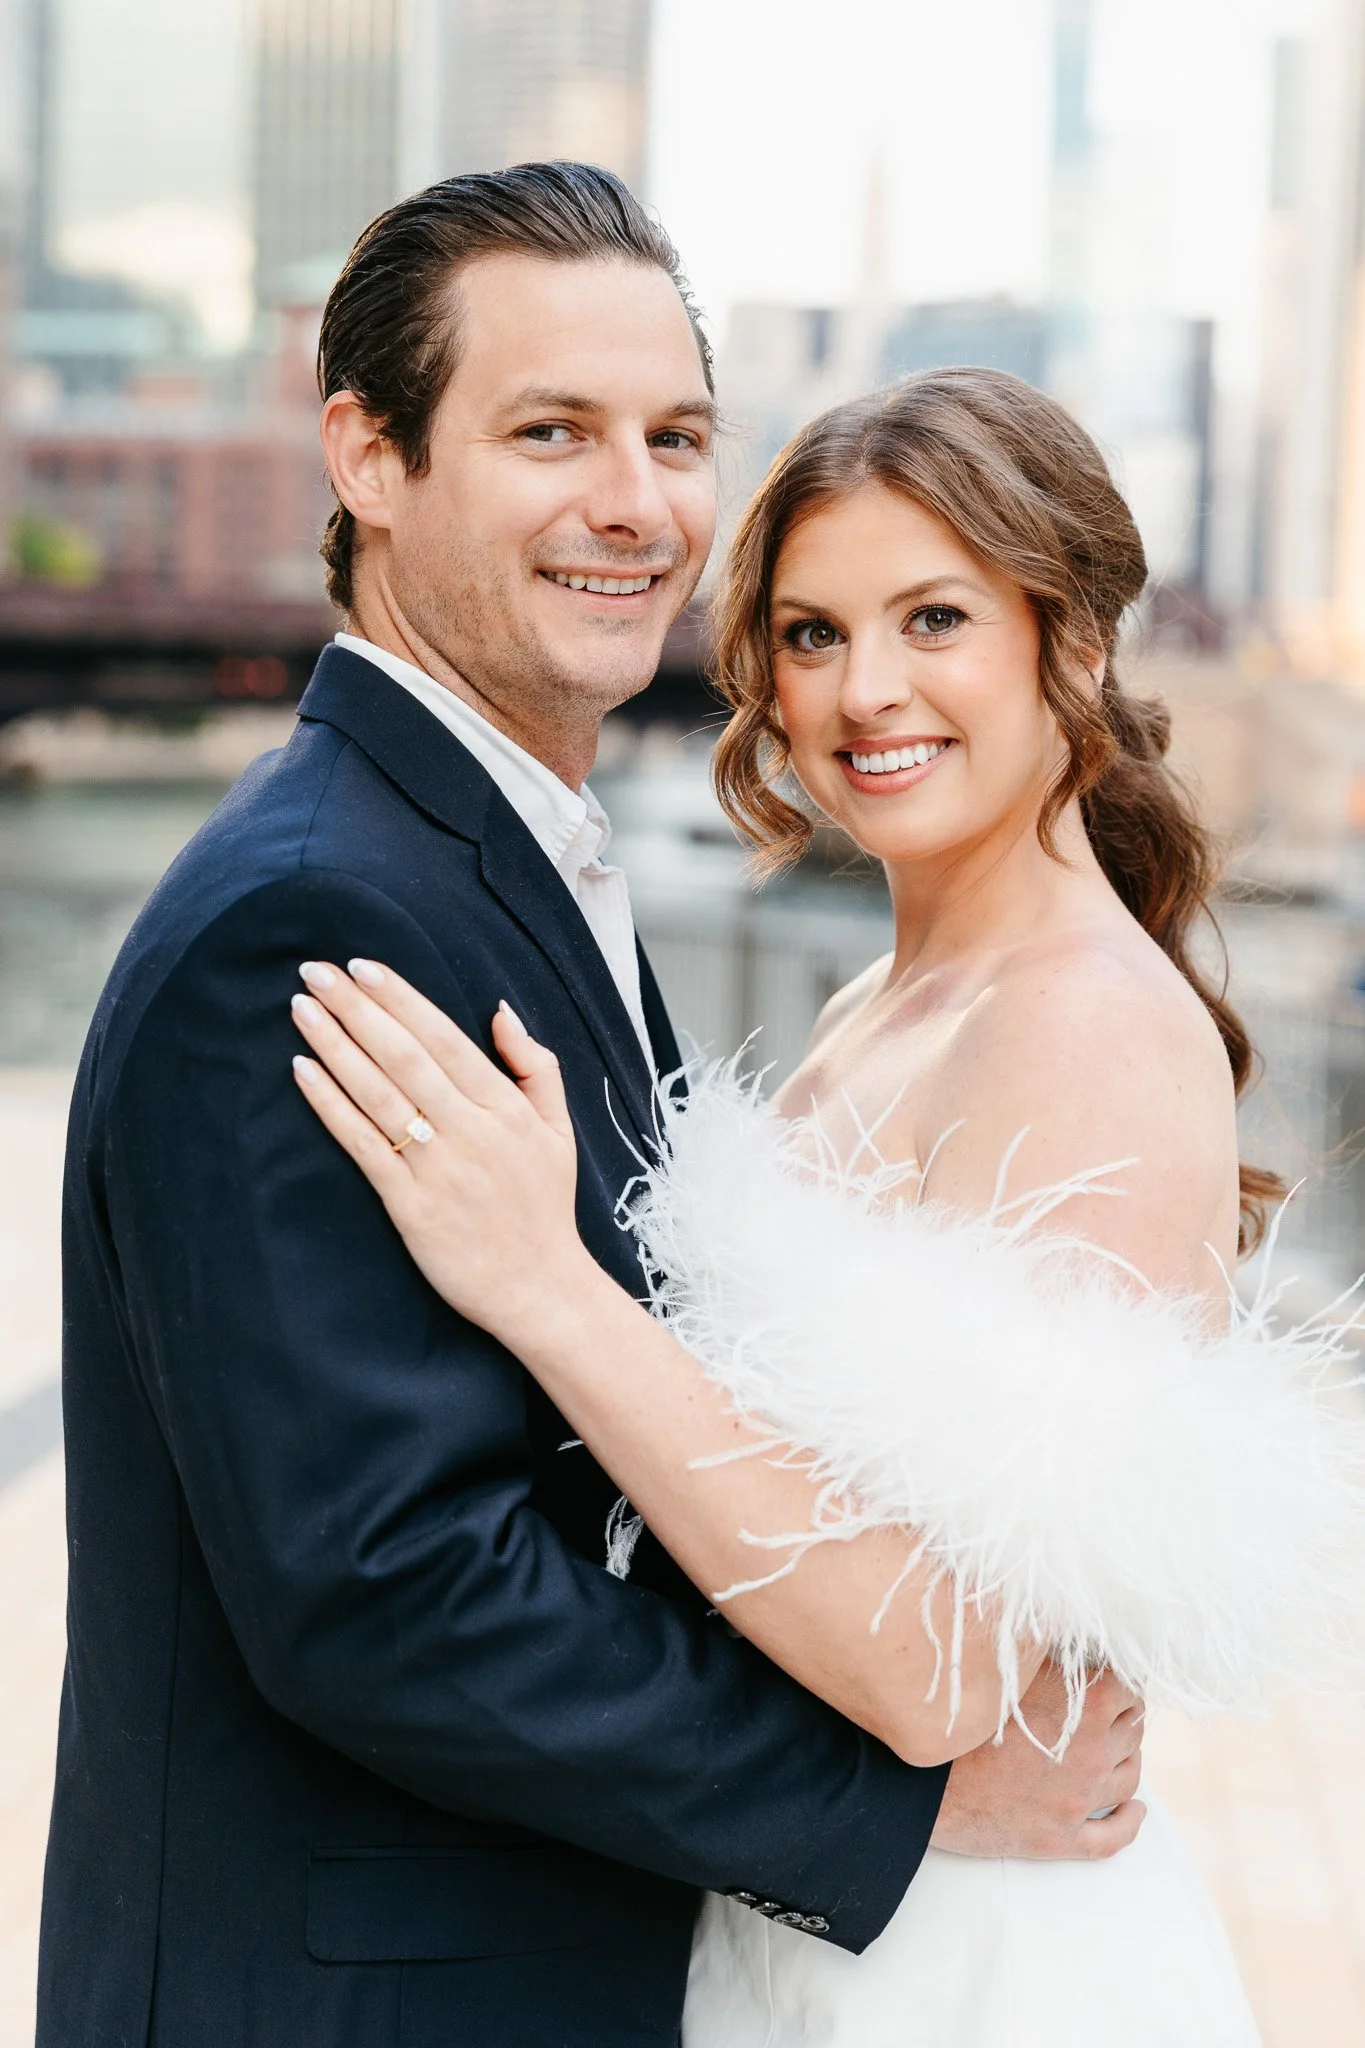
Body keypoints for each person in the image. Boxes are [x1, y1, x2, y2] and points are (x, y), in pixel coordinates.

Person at [40, 171, 1143, 2048]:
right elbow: (390, 1586)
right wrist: (901, 1809)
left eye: (676, 436)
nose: (634, 502)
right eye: (551, 431)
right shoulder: (319, 915)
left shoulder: (484, 860)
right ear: (367, 458)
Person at [288, 370, 1360, 2045]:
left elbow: (952, 1676)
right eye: (808, 634)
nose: (866, 691)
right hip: (817, 1919)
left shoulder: (1083, 1020)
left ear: (1068, 641)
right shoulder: (892, 1004)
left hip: (973, 1969)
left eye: (933, 618)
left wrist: (545, 1284)